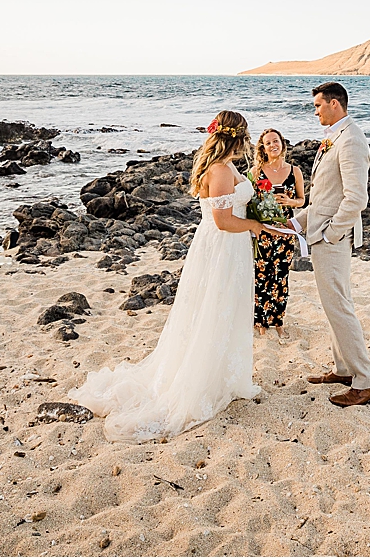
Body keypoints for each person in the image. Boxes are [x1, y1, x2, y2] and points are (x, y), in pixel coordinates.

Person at [69, 110, 272, 442]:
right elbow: (222, 221)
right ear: (237, 137)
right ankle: (203, 379)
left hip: (230, 248)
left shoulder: (229, 166)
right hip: (221, 245)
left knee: (228, 307)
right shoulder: (220, 169)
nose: (249, 141)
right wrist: (254, 225)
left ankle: (226, 376)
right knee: (213, 309)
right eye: (246, 136)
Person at [294, 82, 370, 407]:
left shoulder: (351, 140)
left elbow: (357, 198)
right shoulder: (335, 136)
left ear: (334, 104)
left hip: (332, 239)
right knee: (336, 305)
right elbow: (324, 196)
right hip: (321, 231)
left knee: (339, 307)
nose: (315, 111)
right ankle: (344, 368)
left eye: (318, 105)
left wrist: (330, 234)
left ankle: (366, 382)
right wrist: (297, 223)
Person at [252, 128, 305, 342]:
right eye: (268, 143)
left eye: (276, 141)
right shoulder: (256, 172)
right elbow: (250, 202)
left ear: (282, 143)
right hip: (264, 232)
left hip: (285, 232)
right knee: (261, 277)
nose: (273, 145)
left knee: (281, 277)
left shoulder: (295, 171)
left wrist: (290, 202)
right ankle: (261, 321)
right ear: (263, 149)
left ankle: (278, 321)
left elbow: (302, 200)